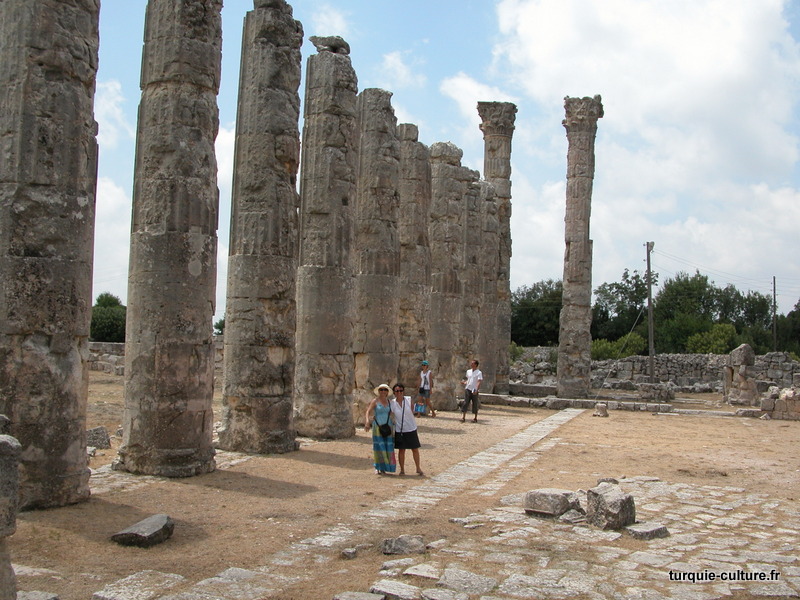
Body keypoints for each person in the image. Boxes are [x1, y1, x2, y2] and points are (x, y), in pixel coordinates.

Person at [390, 383, 423, 476]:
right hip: (400, 429)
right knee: (401, 450)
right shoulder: (392, 403)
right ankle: (402, 470)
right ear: (394, 392)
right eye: (397, 391)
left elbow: (414, 411)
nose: (399, 392)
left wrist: (420, 408)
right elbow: (388, 414)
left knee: (415, 449)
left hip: (411, 427)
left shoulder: (408, 400)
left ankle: (418, 468)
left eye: (401, 390)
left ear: (403, 391)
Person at [364, 383, 396, 475]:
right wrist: (367, 422)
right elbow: (368, 411)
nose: (383, 391)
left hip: (388, 426)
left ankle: (386, 467)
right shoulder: (375, 401)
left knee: (388, 447)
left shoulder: (390, 402)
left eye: (384, 390)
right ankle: (378, 466)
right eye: (381, 390)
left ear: (387, 392)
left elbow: (393, 412)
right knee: (379, 447)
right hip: (378, 426)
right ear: (378, 391)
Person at [460, 359, 483, 423]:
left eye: (473, 363)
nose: (471, 364)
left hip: (474, 389)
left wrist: (476, 389)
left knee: (475, 403)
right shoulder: (468, 371)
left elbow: (479, 381)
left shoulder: (479, 372)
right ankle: (463, 417)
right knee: (465, 402)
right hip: (468, 388)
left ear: (476, 365)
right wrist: (464, 382)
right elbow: (469, 380)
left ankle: (475, 418)